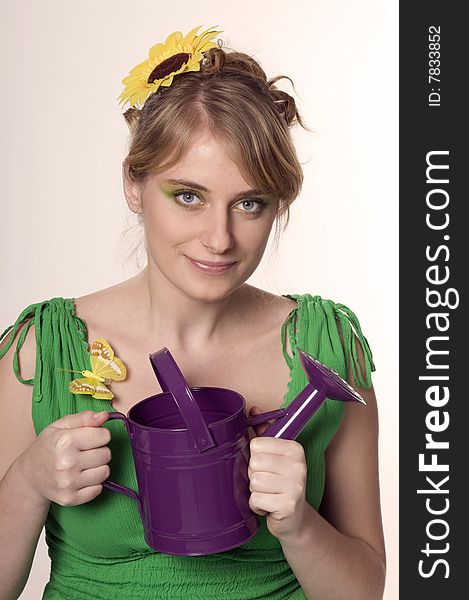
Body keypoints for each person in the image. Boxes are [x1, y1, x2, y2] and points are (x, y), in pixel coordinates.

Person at [0, 25, 386, 600]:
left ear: (277, 206)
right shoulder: (42, 351)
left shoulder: (325, 348)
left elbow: (363, 592)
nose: (219, 238)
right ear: (135, 184)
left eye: (249, 204)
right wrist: (28, 481)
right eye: (188, 196)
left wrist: (300, 526)